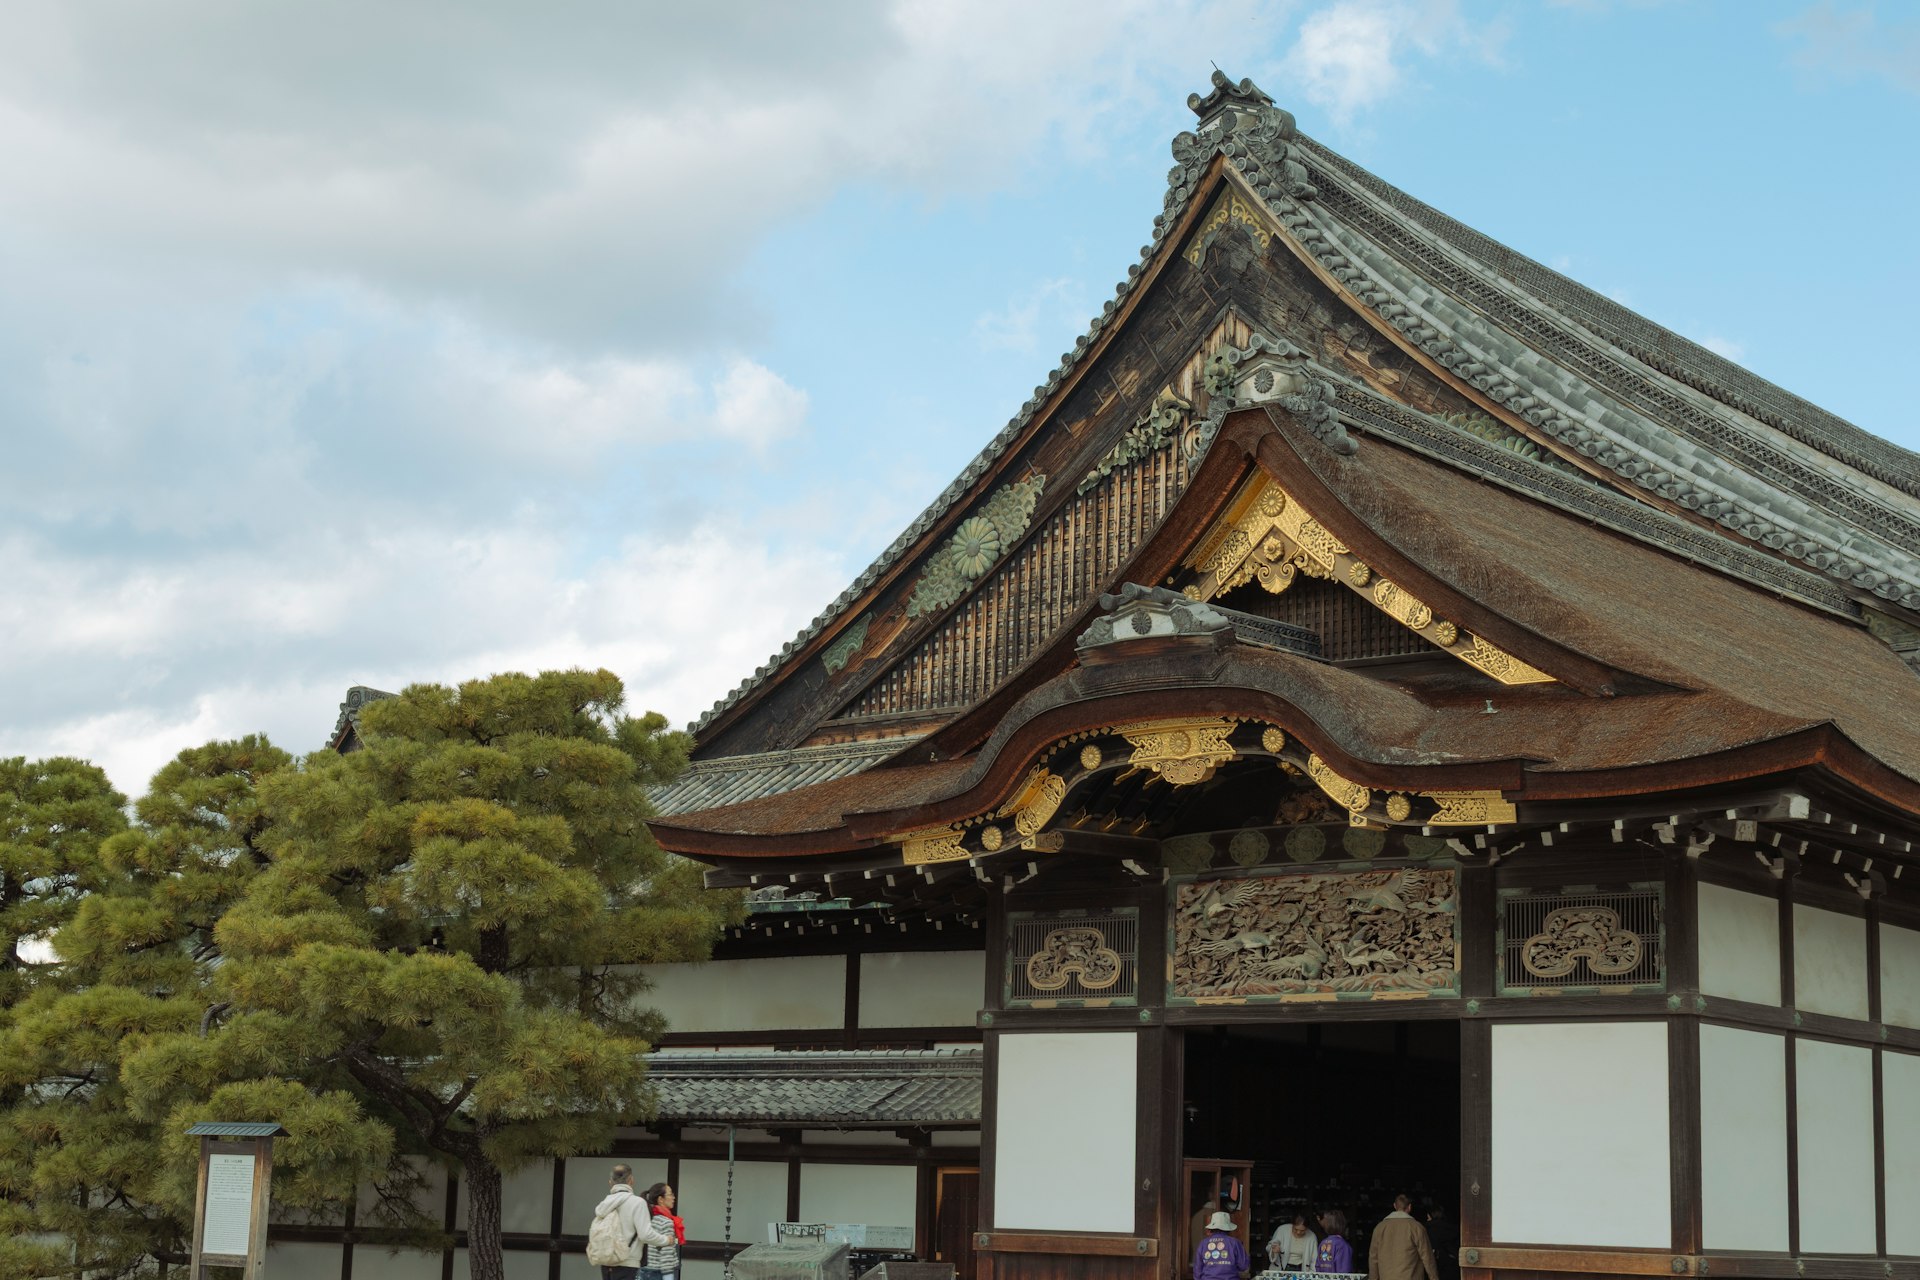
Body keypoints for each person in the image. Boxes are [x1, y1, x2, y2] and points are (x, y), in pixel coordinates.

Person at [590, 1164, 673, 1280]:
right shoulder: (637, 1203)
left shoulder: (604, 1204)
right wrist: (666, 1240)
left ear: (610, 1182)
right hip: (628, 1264)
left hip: (606, 1263)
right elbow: (645, 1235)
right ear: (631, 1180)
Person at [1367, 1195, 1438, 1280]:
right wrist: (1434, 1278)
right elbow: (1427, 1257)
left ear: (1394, 1206)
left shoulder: (1379, 1228)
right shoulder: (1416, 1227)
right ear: (1409, 1207)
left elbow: (1373, 1258)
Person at [641, 1183, 684, 1280]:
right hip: (658, 1273)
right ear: (660, 1199)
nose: (674, 1197)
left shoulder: (646, 1219)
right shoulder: (666, 1222)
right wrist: (668, 1276)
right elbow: (666, 1253)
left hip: (644, 1270)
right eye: (670, 1194)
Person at [1194, 1210, 1250, 1280]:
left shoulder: (1203, 1244)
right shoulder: (1235, 1243)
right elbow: (1243, 1266)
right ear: (1228, 1228)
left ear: (1212, 1228)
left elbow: (1197, 1271)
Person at [1423, 1206, 1458, 1280]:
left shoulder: (1425, 1229)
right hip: (1450, 1262)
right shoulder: (1451, 1228)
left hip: (1434, 1262)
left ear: (1430, 1215)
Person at [1314, 1210, 1353, 1275]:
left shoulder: (1323, 1243)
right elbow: (1344, 1272)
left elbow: (1318, 1266)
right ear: (1342, 1225)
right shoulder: (1342, 1245)